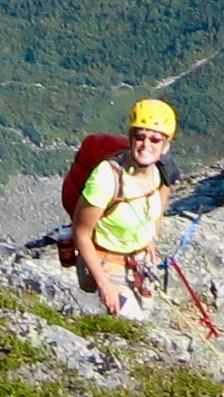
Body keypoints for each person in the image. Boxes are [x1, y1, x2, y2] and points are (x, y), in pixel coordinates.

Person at [73, 99, 178, 319]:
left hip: (137, 260)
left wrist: (147, 238)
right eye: (139, 136)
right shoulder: (106, 177)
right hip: (105, 263)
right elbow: (81, 233)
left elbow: (151, 211)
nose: (146, 145)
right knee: (135, 325)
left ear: (166, 145)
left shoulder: (159, 173)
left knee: (147, 316)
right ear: (130, 138)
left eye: (155, 139)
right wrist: (104, 284)